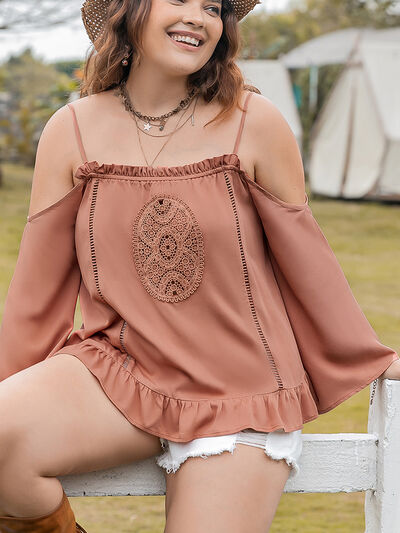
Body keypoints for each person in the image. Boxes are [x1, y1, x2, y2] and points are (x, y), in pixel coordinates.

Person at [0, 0, 399, 531]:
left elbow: (307, 261)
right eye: (179, 0)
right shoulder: (70, 129)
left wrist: (368, 357)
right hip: (117, 371)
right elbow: (38, 287)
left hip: (240, 387)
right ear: (128, 11)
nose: (198, 17)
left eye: (212, 7)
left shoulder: (254, 122)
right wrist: (15, 385)